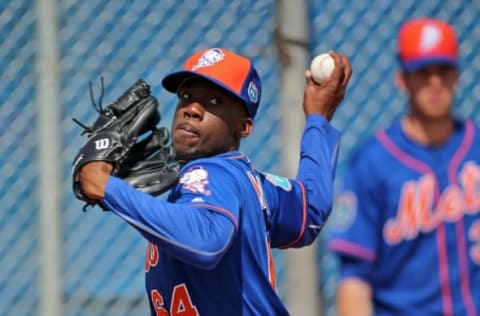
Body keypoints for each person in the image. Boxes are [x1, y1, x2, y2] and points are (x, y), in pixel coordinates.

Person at [77, 47, 352, 315]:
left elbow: (206, 242)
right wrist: (318, 119)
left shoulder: (212, 173)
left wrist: (107, 187)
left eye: (214, 101)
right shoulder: (253, 186)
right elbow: (310, 209)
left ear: (244, 127)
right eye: (186, 96)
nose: (192, 109)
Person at [327, 17, 480, 316]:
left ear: (457, 75)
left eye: (443, 70)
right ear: (402, 79)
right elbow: (355, 277)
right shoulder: (373, 162)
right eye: (423, 72)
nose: (435, 82)